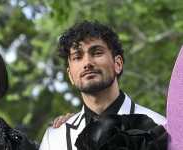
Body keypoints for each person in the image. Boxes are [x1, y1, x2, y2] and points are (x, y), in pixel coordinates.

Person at [39, 20, 166, 150]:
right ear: (70, 75)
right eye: (77, 56)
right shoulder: (54, 139)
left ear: (118, 64)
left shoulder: (160, 127)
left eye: (97, 53)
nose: (87, 63)